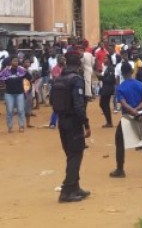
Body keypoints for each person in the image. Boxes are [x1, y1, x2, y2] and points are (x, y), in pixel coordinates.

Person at [50, 52, 91, 202]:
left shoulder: (58, 79)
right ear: (79, 64)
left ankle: (75, 187)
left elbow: (52, 102)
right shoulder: (76, 80)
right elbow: (79, 106)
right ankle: (66, 191)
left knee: (71, 155)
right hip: (74, 122)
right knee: (75, 156)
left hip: (62, 121)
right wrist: (86, 124)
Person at [109, 63, 142, 178]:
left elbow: (123, 103)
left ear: (122, 73)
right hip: (140, 115)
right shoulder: (140, 84)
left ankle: (120, 169)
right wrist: (137, 110)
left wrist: (132, 111)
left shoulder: (121, 87)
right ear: (132, 71)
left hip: (128, 117)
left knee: (119, 141)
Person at [0, 56, 32, 132]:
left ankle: (21, 126)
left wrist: (25, 70)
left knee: (21, 110)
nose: (16, 62)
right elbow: (0, 78)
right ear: (11, 62)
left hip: (19, 93)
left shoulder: (21, 70)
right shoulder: (6, 70)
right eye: (14, 61)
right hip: (9, 94)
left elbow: (30, 77)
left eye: (17, 61)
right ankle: (10, 127)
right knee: (10, 111)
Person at [98, 54, 116, 128]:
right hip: (105, 88)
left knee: (104, 104)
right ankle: (108, 121)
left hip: (108, 88)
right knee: (103, 104)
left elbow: (110, 79)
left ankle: (109, 122)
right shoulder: (106, 68)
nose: (104, 59)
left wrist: (101, 77)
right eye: (104, 58)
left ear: (109, 59)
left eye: (106, 58)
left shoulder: (111, 68)